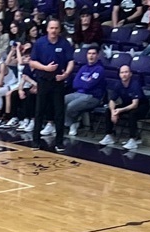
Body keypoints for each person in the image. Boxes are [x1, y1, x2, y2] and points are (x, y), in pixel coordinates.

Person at [29, 17, 74, 151]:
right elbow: (32, 62)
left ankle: (59, 142)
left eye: (56, 28)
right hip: (43, 80)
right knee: (39, 111)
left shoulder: (64, 43)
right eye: (51, 28)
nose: (53, 30)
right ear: (47, 29)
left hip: (58, 82)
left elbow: (71, 61)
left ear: (59, 29)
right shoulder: (40, 43)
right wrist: (45, 68)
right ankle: (36, 141)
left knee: (59, 112)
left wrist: (66, 74)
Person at [98, 62, 149, 150]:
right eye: (122, 72)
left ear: (130, 74)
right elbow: (112, 100)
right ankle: (109, 135)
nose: (124, 74)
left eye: (126, 72)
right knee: (108, 110)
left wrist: (120, 110)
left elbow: (135, 104)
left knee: (132, 114)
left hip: (142, 107)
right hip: (128, 104)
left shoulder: (135, 84)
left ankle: (133, 139)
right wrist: (113, 112)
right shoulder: (118, 84)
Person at [65, 43, 107, 137]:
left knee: (71, 106)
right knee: (61, 100)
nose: (91, 56)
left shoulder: (99, 69)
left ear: (97, 55)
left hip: (93, 96)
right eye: (89, 54)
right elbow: (75, 83)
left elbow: (89, 85)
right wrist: (86, 82)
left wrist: (83, 82)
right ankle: (70, 123)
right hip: (78, 93)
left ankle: (73, 124)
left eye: (93, 54)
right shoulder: (83, 67)